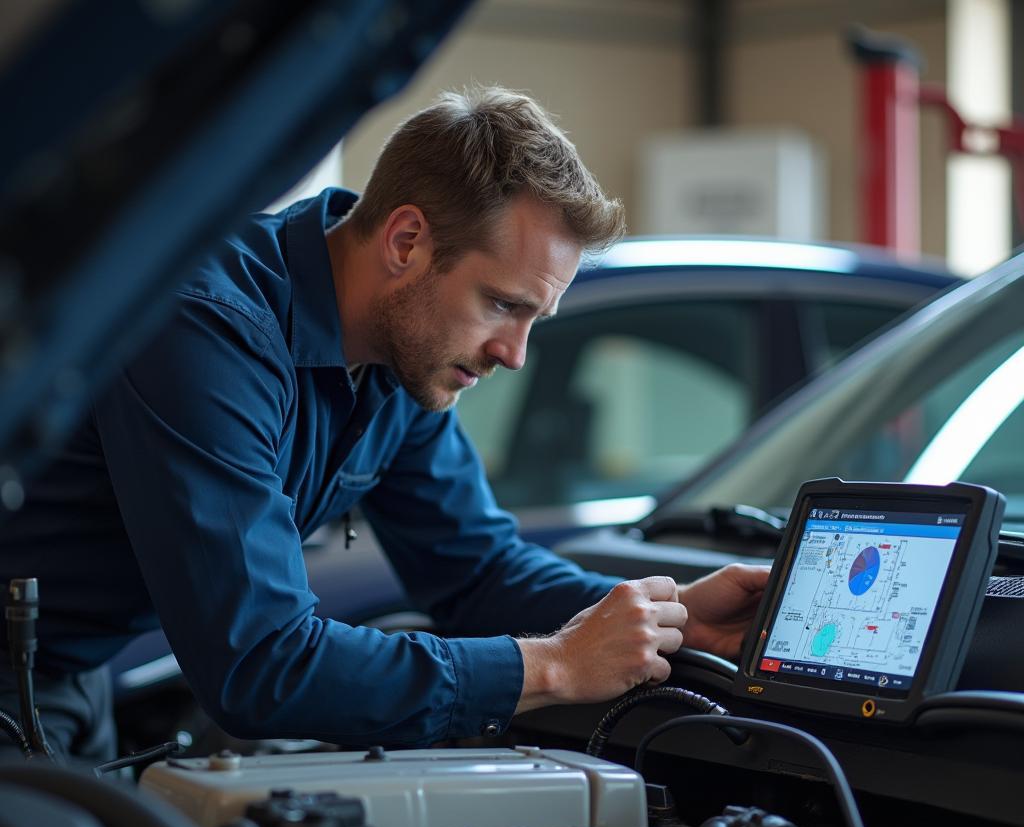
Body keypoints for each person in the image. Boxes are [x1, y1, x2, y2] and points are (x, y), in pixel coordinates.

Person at [0, 88, 768, 761]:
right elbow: (260, 666)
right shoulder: (208, 330)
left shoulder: (407, 362)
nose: (515, 353)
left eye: (536, 317)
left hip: (65, 671)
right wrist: (555, 667)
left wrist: (675, 615)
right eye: (503, 304)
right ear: (406, 242)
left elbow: (477, 573)